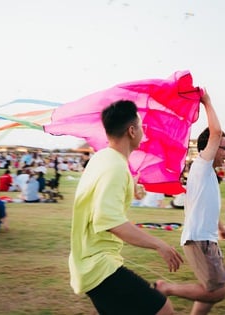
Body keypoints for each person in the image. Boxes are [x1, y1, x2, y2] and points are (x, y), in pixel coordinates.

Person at [69, 100, 183, 315]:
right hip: (99, 266)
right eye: (140, 127)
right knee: (163, 309)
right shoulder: (115, 167)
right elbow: (111, 222)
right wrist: (160, 245)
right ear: (131, 131)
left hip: (89, 264)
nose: (143, 132)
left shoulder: (102, 157)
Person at [154, 90, 225, 315]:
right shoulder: (201, 165)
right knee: (218, 291)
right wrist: (207, 101)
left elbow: (204, 206)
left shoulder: (207, 174)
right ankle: (165, 288)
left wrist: (221, 227)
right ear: (212, 147)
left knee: (212, 288)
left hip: (206, 238)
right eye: (224, 148)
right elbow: (215, 132)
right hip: (200, 239)